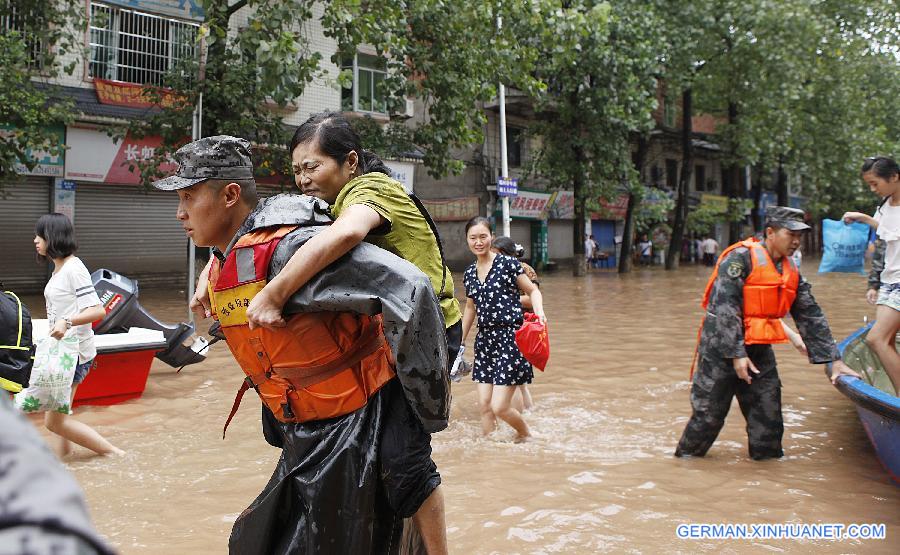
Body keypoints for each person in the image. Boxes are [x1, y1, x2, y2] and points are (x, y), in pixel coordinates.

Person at [153, 136, 450, 553]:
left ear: (230, 195)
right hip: (304, 428)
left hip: (355, 424)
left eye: (189, 197)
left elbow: (412, 289)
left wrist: (426, 407)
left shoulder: (289, 249)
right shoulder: (227, 255)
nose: (180, 213)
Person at [675, 206, 860, 460]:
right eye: (790, 234)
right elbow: (724, 308)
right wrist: (736, 354)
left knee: (769, 419)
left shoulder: (790, 269)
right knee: (708, 418)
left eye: (800, 236)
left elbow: (810, 314)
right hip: (721, 350)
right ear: (770, 232)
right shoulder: (739, 258)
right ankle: (685, 465)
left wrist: (834, 359)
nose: (796, 241)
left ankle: (767, 473)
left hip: (759, 350)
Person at [32, 214, 124, 458]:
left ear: (53, 237)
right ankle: (66, 462)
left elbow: (97, 310)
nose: (35, 241)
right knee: (59, 416)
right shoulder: (59, 269)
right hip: (62, 352)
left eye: (40, 236)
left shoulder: (74, 268)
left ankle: (115, 454)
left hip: (74, 354)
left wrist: (67, 321)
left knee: (54, 422)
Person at [461, 218, 545, 442]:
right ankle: (492, 451)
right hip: (485, 341)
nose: (478, 242)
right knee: (485, 407)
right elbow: (470, 307)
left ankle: (527, 435)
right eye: (473, 238)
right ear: (467, 240)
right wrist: (458, 341)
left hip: (511, 339)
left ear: (491, 237)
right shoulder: (469, 273)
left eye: (483, 236)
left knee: (499, 407)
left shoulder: (508, 265)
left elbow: (533, 291)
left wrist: (540, 313)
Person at [841, 156, 900, 394]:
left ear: (894, 177)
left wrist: (867, 220)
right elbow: (884, 246)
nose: (872, 189)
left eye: (875, 183)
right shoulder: (885, 205)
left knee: (876, 338)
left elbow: (892, 234)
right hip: (889, 279)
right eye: (869, 184)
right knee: (883, 340)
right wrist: (874, 282)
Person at [491, 236, 537, 411]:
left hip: (522, 327)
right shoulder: (492, 270)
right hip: (501, 328)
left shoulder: (524, 270)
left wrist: (506, 300)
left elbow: (532, 298)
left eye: (495, 254)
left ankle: (522, 416)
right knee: (515, 380)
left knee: (516, 380)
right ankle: (524, 413)